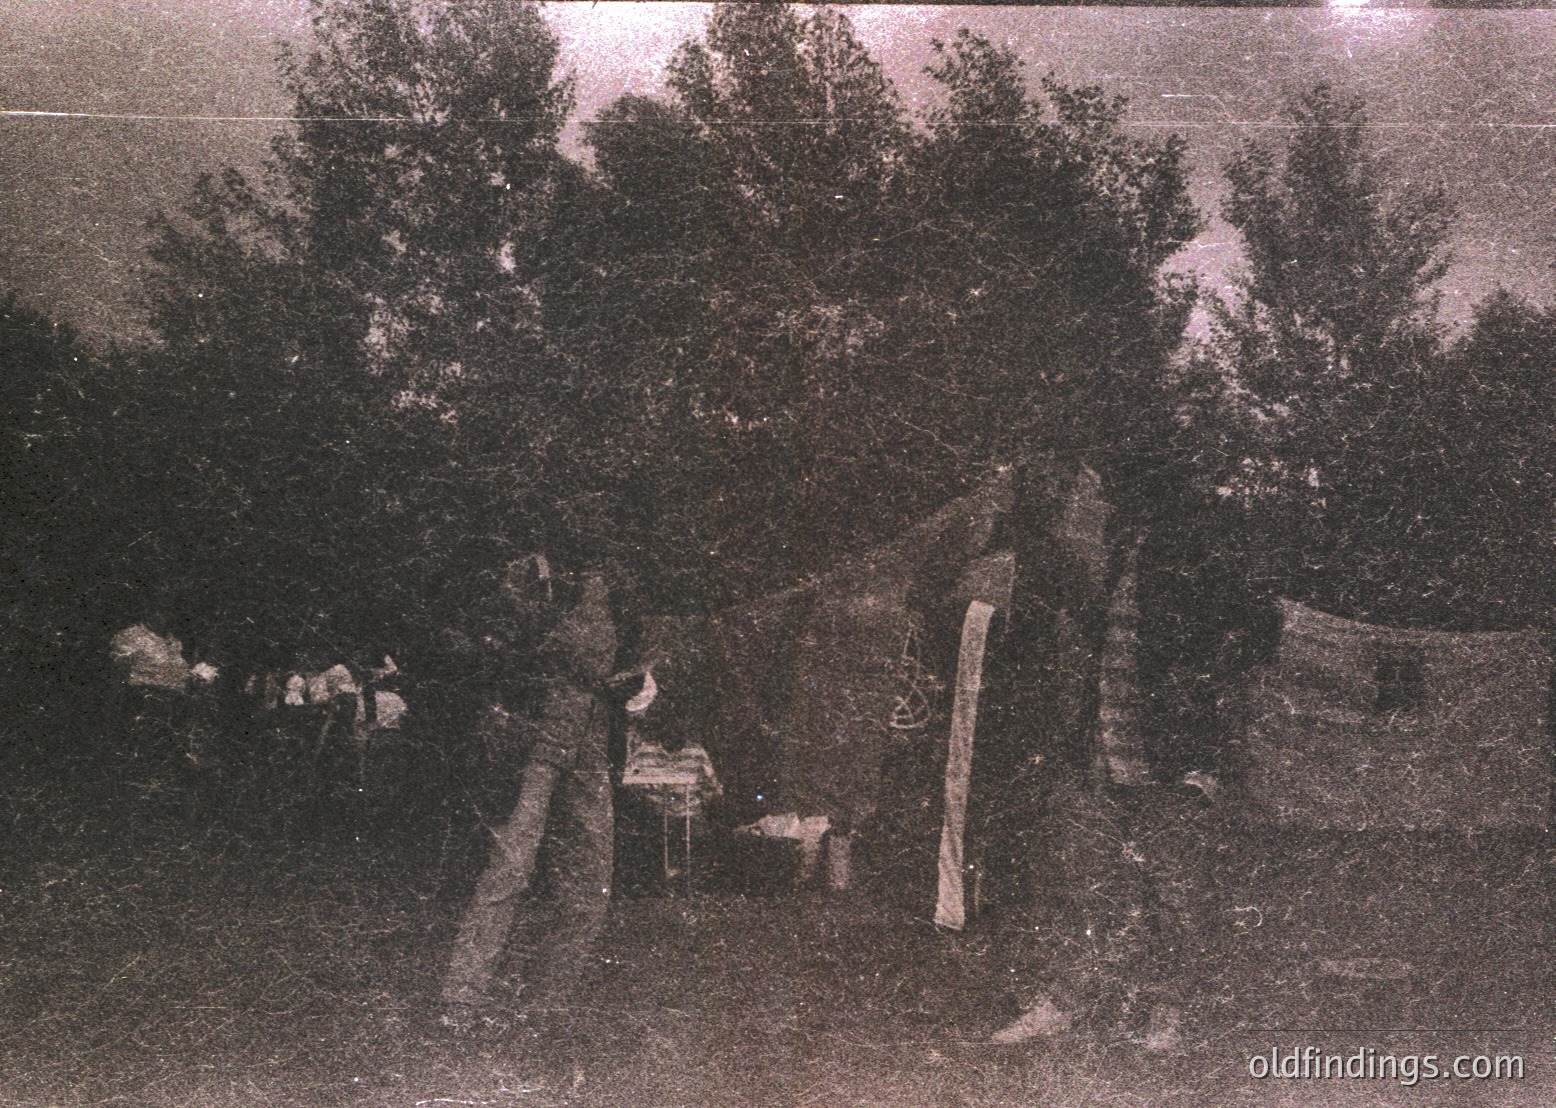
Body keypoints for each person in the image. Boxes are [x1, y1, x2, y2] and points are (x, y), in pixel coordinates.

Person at [440, 563, 619, 1026]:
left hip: (592, 733)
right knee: (509, 866)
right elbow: (483, 649)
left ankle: (551, 999)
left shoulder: (614, 581)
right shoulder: (530, 572)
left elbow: (623, 657)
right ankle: (463, 997)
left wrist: (635, 682)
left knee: (591, 879)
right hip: (533, 735)